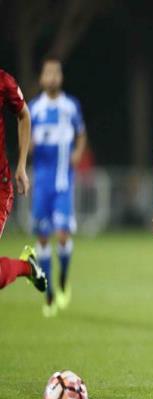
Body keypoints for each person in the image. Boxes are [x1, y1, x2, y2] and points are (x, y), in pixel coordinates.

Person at [29, 57, 87, 317]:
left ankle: (63, 275)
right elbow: (25, 137)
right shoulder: (34, 108)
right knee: (42, 237)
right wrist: (26, 149)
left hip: (63, 182)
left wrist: (78, 152)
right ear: (42, 78)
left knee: (63, 235)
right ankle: (50, 291)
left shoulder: (70, 106)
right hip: (42, 183)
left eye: (56, 72)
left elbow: (81, 134)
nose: (52, 77)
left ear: (61, 77)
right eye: (48, 73)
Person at [0, 68, 47, 294]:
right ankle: (28, 266)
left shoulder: (3, 81)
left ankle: (27, 267)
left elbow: (24, 114)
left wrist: (21, 165)